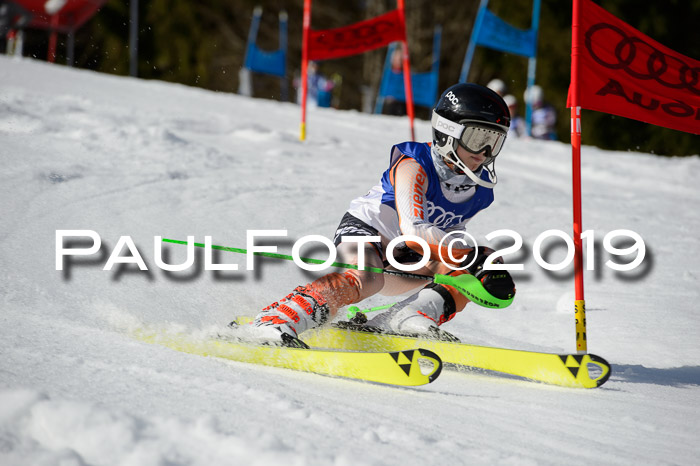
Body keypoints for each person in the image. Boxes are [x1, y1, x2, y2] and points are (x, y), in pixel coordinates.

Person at [242, 83, 516, 346]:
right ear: (448, 132)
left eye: (494, 141)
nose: (485, 152)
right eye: (478, 138)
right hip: (368, 233)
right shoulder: (414, 164)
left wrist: (480, 268)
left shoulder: (479, 193)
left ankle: (405, 318)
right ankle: (275, 320)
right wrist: (469, 254)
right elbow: (413, 229)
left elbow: (446, 241)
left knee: (466, 273)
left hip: (408, 259)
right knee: (366, 277)